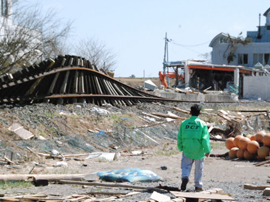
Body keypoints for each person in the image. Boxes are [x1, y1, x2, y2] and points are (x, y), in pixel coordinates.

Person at [177, 104, 211, 192]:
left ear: (190, 112)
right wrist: (207, 150)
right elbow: (205, 138)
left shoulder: (184, 123)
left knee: (185, 166)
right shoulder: (202, 124)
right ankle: (198, 185)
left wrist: (180, 147)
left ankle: (185, 177)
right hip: (199, 150)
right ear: (200, 113)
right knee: (199, 168)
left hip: (187, 148)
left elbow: (179, 136)